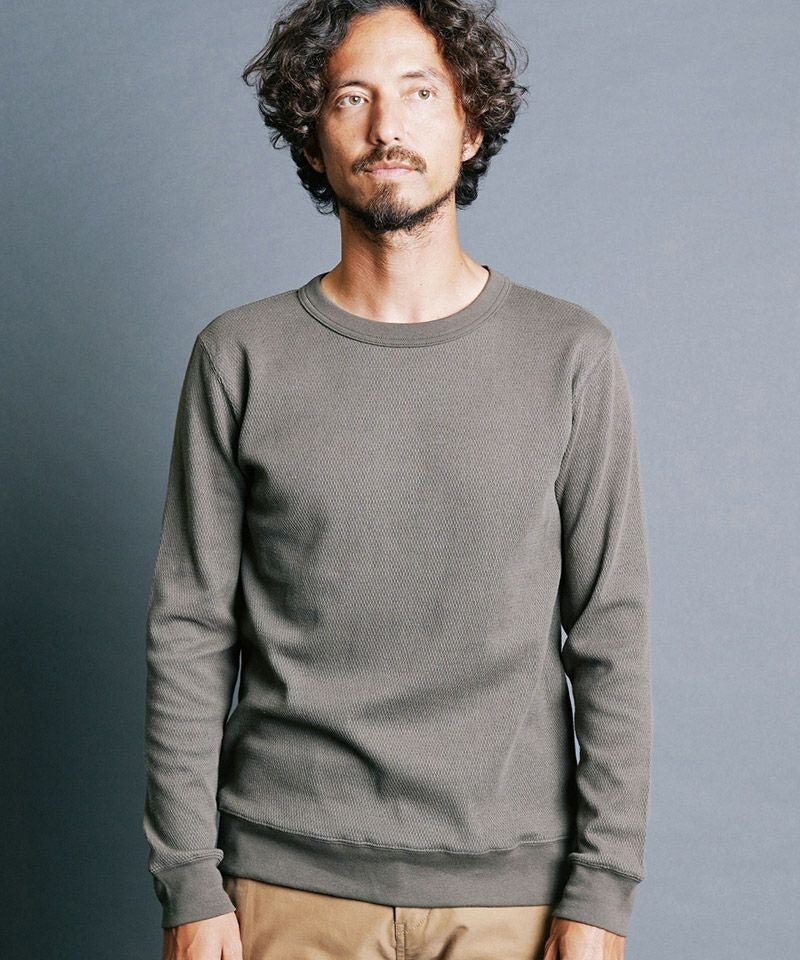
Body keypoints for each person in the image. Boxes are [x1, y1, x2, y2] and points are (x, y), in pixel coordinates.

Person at [142, 1, 652, 958]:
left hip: (513, 893)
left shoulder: (571, 354)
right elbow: (190, 631)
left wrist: (603, 890)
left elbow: (610, 632)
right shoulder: (239, 356)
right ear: (315, 137)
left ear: (470, 126)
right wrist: (188, 883)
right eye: (352, 98)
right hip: (281, 888)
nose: (387, 127)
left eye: (420, 93)